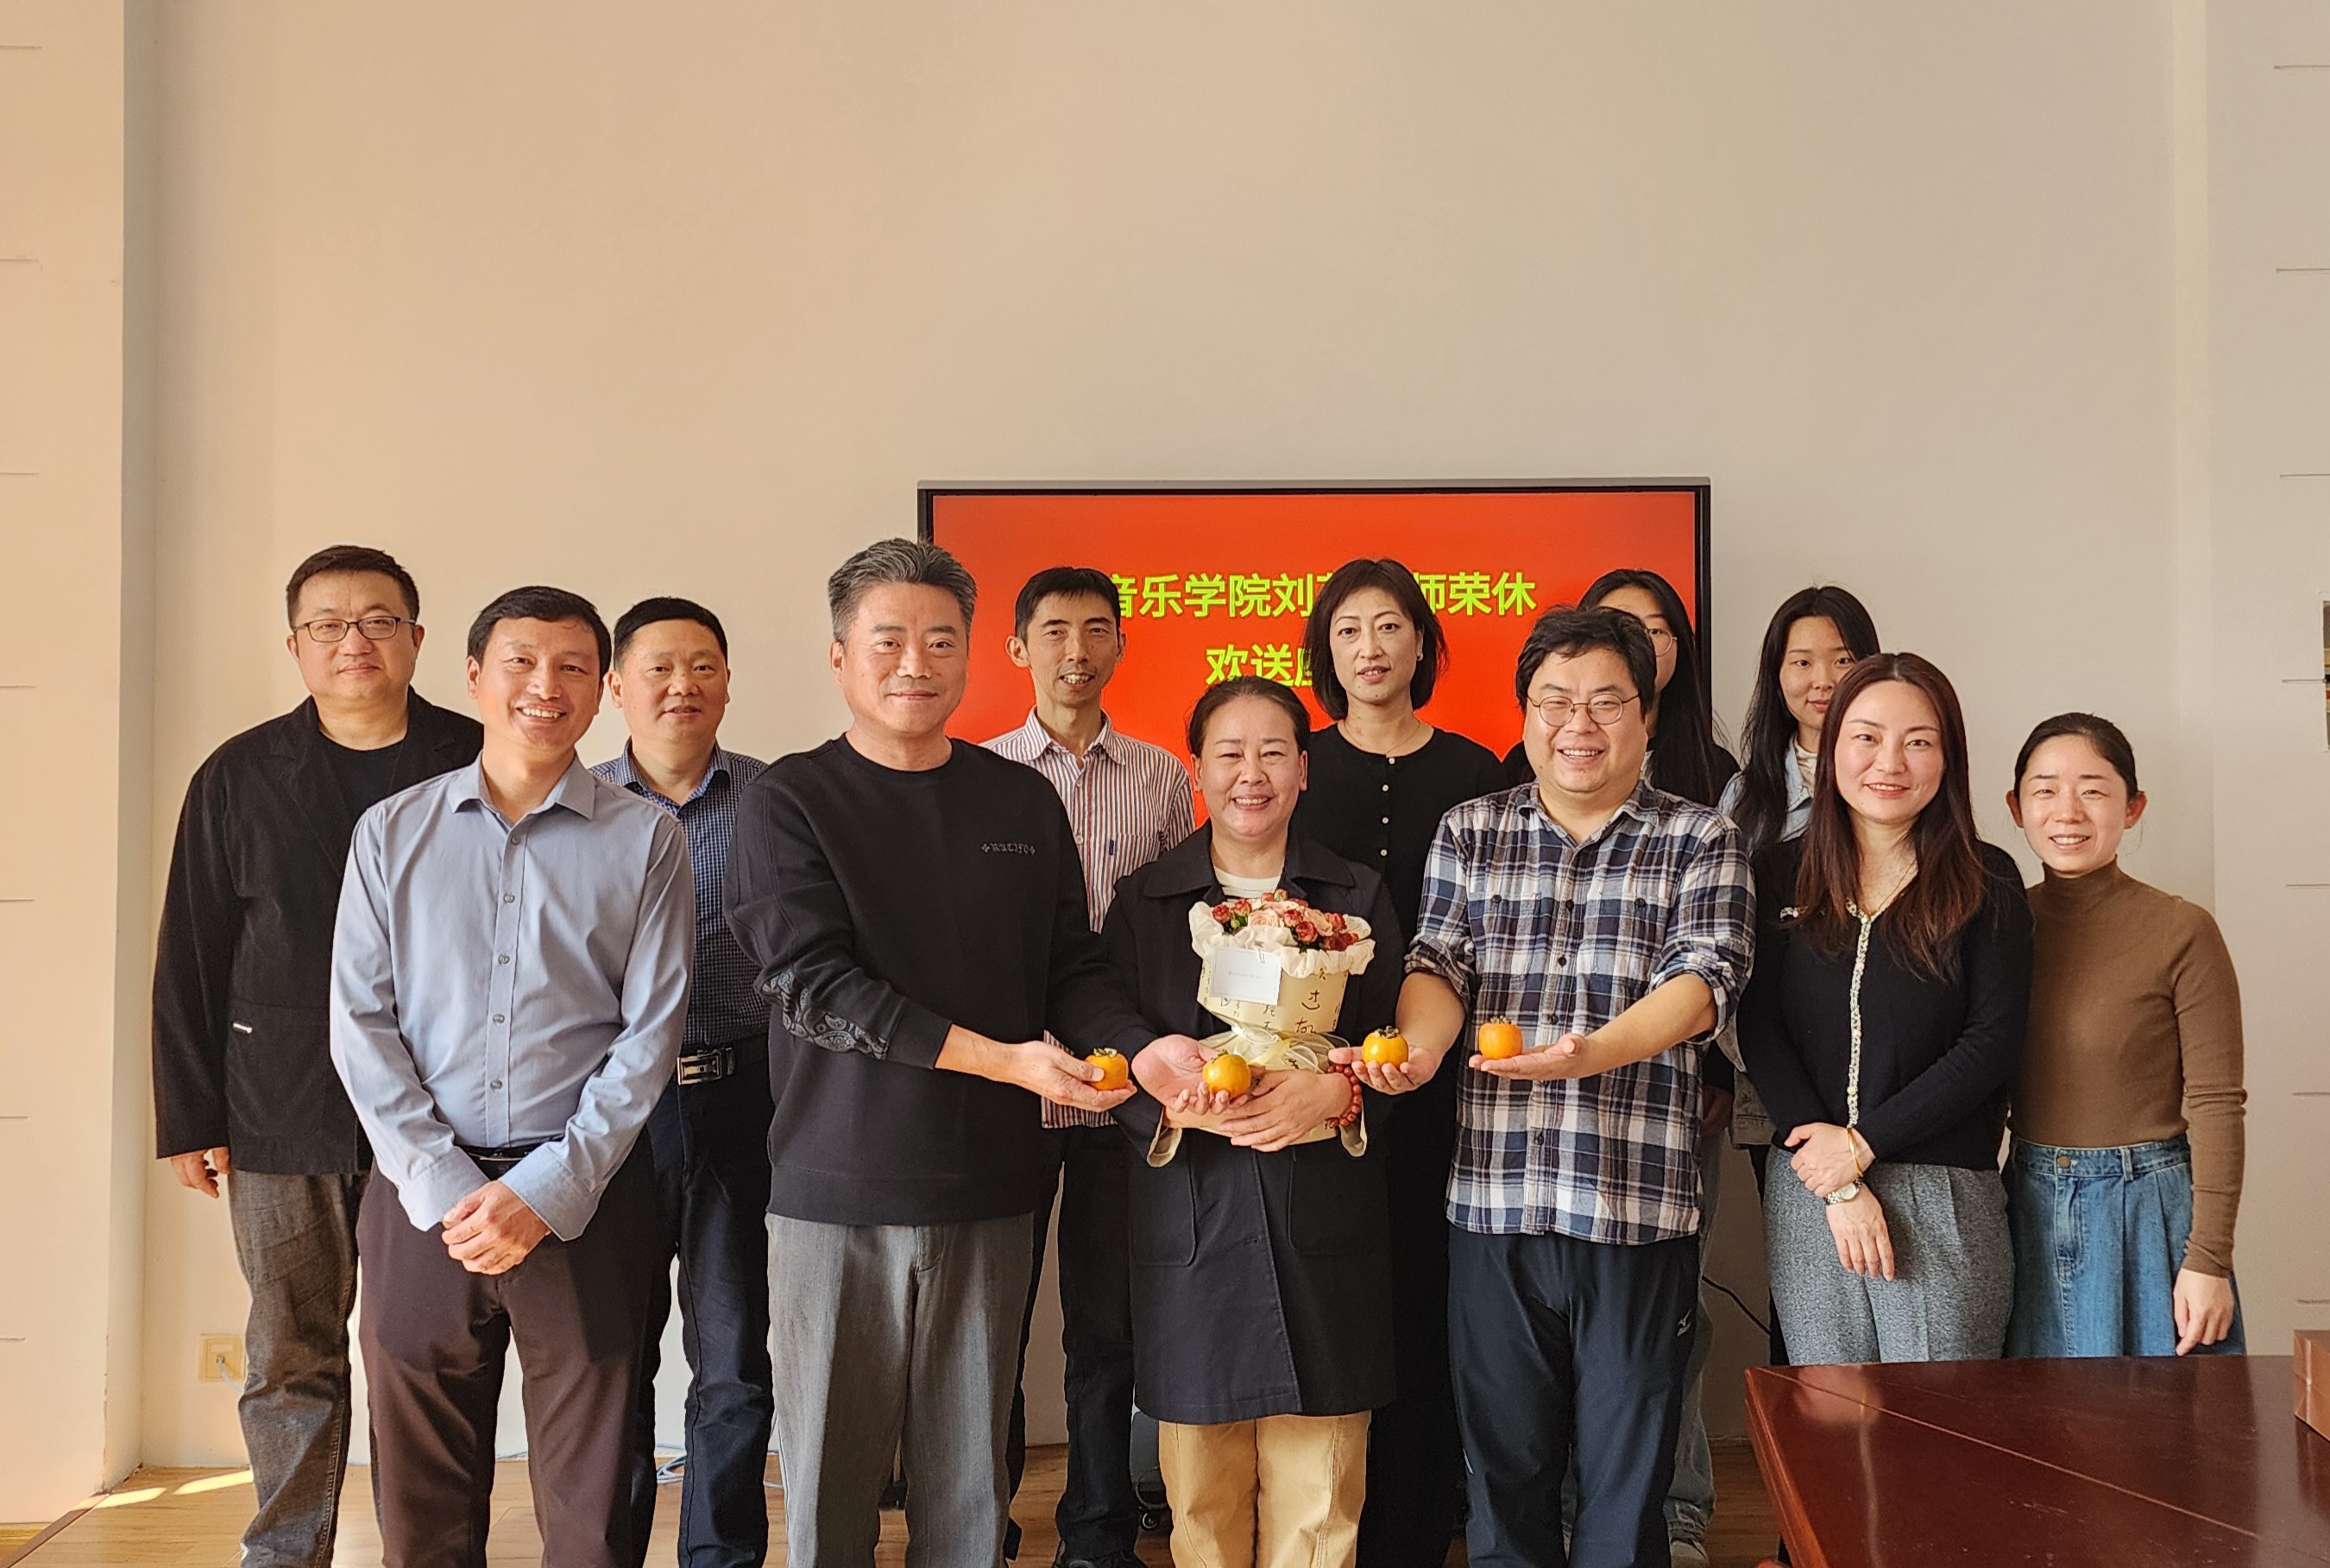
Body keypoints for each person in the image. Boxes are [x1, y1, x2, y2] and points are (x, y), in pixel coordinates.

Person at [723, 538, 1200, 1568]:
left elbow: (1070, 965)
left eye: (941, 640)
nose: (916, 662)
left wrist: (1141, 1049)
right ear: (840, 655)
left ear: (973, 654)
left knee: (969, 1483)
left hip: (991, 1183)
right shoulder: (790, 798)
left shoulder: (1019, 800)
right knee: (830, 1484)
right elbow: (815, 986)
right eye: (888, 639)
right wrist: (1008, 1061)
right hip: (838, 1186)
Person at [1357, 606, 1754, 1567]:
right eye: (1555, 701)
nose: (1579, 724)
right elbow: (1439, 964)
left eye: (1607, 702)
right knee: (1503, 1472)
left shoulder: (1701, 837)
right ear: (1526, 714)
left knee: (1627, 1478)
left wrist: (1593, 1052)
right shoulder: (1473, 829)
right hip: (1494, 1203)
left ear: (1646, 715)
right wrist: (1418, 1050)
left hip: (1634, 1205)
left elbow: (1704, 981)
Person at [331, 586, 694, 1568]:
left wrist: (546, 1189)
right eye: (521, 662)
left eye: (573, 666)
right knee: (422, 1498)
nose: (546, 685)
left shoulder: (647, 839)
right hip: (422, 1199)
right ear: (474, 676)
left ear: (601, 687)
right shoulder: (390, 832)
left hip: (584, 1197)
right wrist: (444, 1179)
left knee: (591, 1500)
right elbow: (360, 1025)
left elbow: (649, 1036)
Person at [151, 545, 480, 1568]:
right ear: (295, 644)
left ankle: (430, 1549)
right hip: (278, 1105)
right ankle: (286, 1551)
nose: (353, 641)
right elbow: (193, 953)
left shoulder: (478, 756)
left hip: (442, 1110)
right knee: (289, 1348)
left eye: (377, 620)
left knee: (423, 1350)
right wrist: (191, 1115)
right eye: (328, 624)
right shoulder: (238, 774)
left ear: (416, 637)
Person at [1108, 677, 1401, 1568]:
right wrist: (1165, 1093)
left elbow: (1399, 1044)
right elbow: (1111, 1037)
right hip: (1194, 1218)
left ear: (1304, 769)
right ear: (1197, 768)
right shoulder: (1147, 899)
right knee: (1200, 1495)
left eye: (1273, 752)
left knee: (1323, 1495)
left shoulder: (1356, 893)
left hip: (1324, 1217)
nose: (1252, 773)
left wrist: (1342, 1093)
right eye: (1229, 753)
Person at [1291, 557, 1502, 1566]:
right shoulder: (1296, 765)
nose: (1369, 648)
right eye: (1347, 630)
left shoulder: (1476, 771)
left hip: (1445, 1081)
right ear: (1324, 652)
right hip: (1315, 1076)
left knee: (1428, 1292)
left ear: (1423, 641)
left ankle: (1419, 1521)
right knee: (1338, 1294)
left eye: (1388, 626)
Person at [1737, 652, 2031, 1368]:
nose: (1889, 762)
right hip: (1811, 1185)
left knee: (1938, 1421)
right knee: (1826, 1414)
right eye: (1866, 737)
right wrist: (1836, 1176)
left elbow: (1991, 1041)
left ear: (1949, 756)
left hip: (1942, 1190)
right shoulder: (1777, 871)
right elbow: (1760, 1025)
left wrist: (1864, 1145)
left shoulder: (1988, 878)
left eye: (1918, 741)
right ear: (1833, 745)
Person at [985, 565, 1194, 1568]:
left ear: (1120, 644)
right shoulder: (980, 773)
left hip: (1125, 1092)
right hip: (1011, 1089)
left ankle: (1099, 1533)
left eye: (1097, 628)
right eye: (1055, 629)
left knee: (1107, 1326)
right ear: (1018, 646)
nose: (1077, 649)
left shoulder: (1161, 776)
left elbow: (1180, 929)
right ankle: (979, 1522)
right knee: (990, 1323)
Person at [595, 597, 774, 1568]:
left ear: (730, 682)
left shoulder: (775, 801)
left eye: (703, 665)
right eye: (658, 667)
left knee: (736, 1354)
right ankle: (607, 1548)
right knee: (612, 1356)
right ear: (616, 686)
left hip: (744, 1095)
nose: (682, 685)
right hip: (611, 1112)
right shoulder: (576, 803)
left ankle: (722, 1553)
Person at [2004, 714, 2245, 1357]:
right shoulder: (1999, 925)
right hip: (2024, 1203)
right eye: (2045, 789)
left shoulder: (2182, 929)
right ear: (2016, 807)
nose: (2068, 811)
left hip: (2149, 1210)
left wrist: (2209, 1258)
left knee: (2163, 1415)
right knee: (2034, 1416)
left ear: (2132, 807)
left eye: (2093, 790)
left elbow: (2218, 1102)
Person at [1715, 585, 1881, 1369]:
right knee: (1807, 1283)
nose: (1822, 680)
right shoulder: (1746, 795)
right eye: (1802, 661)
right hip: (1777, 1070)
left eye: (1842, 660)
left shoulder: (1895, 772)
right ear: (1775, 674)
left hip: (1887, 1073)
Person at [1500, 570, 1734, 804]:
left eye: (1654, 631)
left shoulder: (1712, 769)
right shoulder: (1525, 763)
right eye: (1614, 628)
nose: (1640, 644)